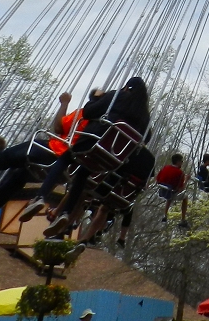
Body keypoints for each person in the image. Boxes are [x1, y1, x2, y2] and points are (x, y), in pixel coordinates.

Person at [0, 90, 96, 253]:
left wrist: (64, 103)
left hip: (51, 152)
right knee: (18, 177)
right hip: (61, 172)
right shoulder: (102, 132)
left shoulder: (84, 115)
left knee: (5, 158)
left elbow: (59, 127)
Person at [40, 77, 152, 237]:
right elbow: (145, 139)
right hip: (113, 161)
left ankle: (40, 196)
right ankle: (65, 214)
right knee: (83, 174)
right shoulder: (145, 117)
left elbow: (89, 112)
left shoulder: (117, 96)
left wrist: (98, 99)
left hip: (94, 144)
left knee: (66, 157)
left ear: (127, 88)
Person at [156, 153, 188, 226]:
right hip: (170, 193)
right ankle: (183, 219)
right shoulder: (180, 173)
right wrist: (186, 180)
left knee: (169, 193)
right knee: (185, 197)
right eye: (181, 161)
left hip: (161, 191)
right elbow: (181, 189)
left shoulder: (165, 167)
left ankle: (165, 214)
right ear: (178, 162)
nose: (182, 163)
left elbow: (158, 180)